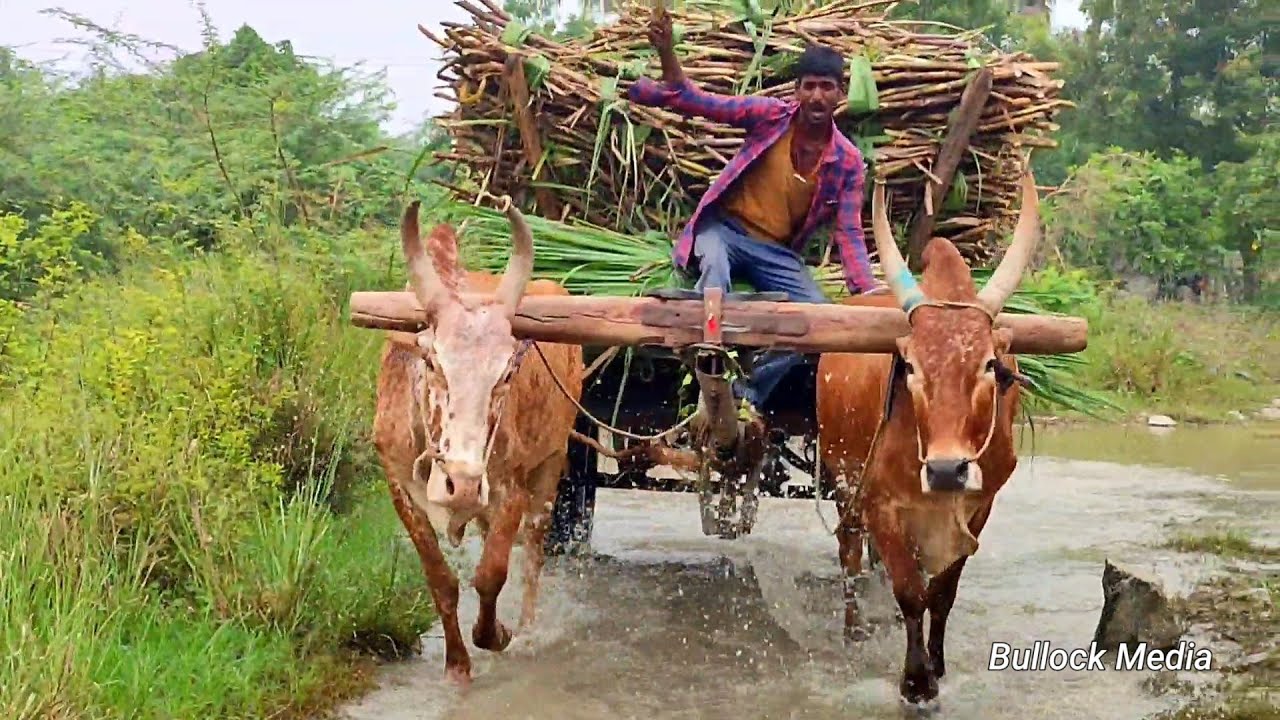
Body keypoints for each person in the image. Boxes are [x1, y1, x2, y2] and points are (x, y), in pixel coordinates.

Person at [627, 9, 886, 418]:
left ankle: (746, 393)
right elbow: (696, 101)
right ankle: (707, 371)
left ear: (840, 94)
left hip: (776, 254)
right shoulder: (769, 117)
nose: (817, 96)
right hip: (725, 232)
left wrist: (869, 297)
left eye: (827, 87)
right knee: (714, 278)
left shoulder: (848, 162)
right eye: (809, 86)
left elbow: (849, 234)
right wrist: (667, 55)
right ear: (796, 91)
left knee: (817, 322)